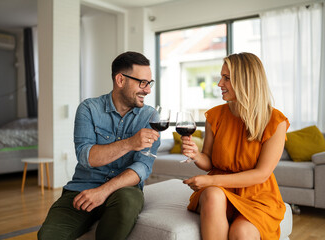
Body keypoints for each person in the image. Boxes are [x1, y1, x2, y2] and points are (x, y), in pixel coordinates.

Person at [38, 51, 160, 240]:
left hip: (124, 192)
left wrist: (103, 192)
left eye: (149, 83)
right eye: (142, 83)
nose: (147, 90)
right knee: (48, 237)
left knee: (128, 200)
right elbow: (87, 157)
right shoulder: (89, 109)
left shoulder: (150, 117)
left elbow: (142, 167)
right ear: (120, 80)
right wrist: (130, 143)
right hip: (81, 188)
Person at [181, 52, 289, 240]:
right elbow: (209, 161)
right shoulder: (214, 116)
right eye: (221, 77)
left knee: (242, 233)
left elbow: (261, 174)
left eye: (227, 78)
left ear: (246, 82)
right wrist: (196, 155)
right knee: (213, 195)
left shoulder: (275, 121)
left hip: (257, 195)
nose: (219, 84)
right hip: (219, 192)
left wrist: (210, 181)